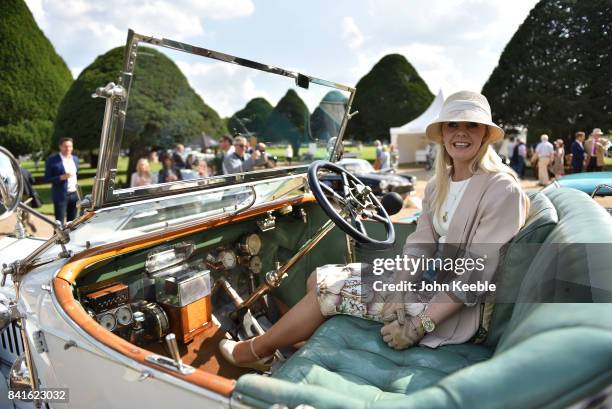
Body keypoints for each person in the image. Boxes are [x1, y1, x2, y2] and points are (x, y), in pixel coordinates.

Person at [219, 90, 529, 368]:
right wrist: (400, 285)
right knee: (317, 276)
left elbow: (474, 277)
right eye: (453, 125)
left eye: (471, 125)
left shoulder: (502, 189)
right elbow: (420, 244)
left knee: (327, 290)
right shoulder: (439, 184)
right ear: (443, 133)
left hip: (456, 312)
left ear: (486, 134)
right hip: (426, 283)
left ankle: (254, 351)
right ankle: (298, 342)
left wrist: (419, 325)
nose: (461, 133)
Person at [45, 137, 79, 224]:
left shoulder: (75, 159)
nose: (68, 149)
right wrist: (60, 178)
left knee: (72, 223)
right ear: (60, 147)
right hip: (61, 196)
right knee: (59, 224)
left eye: (70, 146)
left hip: (74, 195)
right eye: (66, 146)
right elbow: (47, 178)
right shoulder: (52, 160)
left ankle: (71, 238)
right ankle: (57, 238)